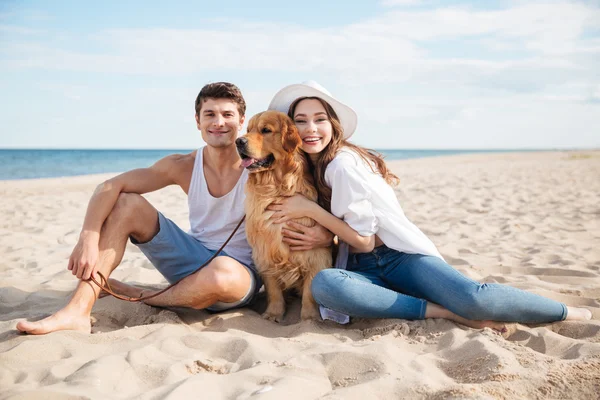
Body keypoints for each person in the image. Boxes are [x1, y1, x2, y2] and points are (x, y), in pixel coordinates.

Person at [266, 80, 592, 328]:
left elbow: (365, 239)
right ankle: (444, 313)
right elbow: (351, 235)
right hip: (360, 266)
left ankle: (566, 312)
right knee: (328, 286)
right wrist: (325, 235)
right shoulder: (312, 166)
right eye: (300, 121)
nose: (310, 129)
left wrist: (311, 211)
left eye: (319, 119)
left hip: (400, 258)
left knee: (473, 299)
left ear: (333, 124)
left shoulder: (342, 164)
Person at [17, 82, 333, 335]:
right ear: (198, 121)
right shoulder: (183, 165)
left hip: (237, 276)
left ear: (241, 121)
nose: (219, 122)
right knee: (127, 202)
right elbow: (109, 187)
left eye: (227, 115)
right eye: (209, 114)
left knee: (221, 275)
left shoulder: (265, 167)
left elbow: (312, 184)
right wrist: (87, 236)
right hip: (190, 257)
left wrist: (324, 234)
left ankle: (135, 294)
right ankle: (77, 311)